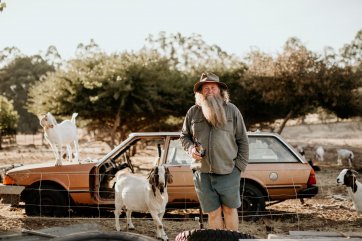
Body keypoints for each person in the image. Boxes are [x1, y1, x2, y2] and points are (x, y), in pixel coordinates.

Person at [180, 72, 249, 231]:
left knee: (230, 211)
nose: (209, 91)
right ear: (200, 92)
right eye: (205, 88)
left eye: (213, 87)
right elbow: (184, 136)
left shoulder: (232, 110)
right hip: (202, 173)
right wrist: (190, 149)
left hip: (229, 171)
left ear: (220, 91)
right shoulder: (193, 112)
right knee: (213, 214)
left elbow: (243, 141)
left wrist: (238, 168)